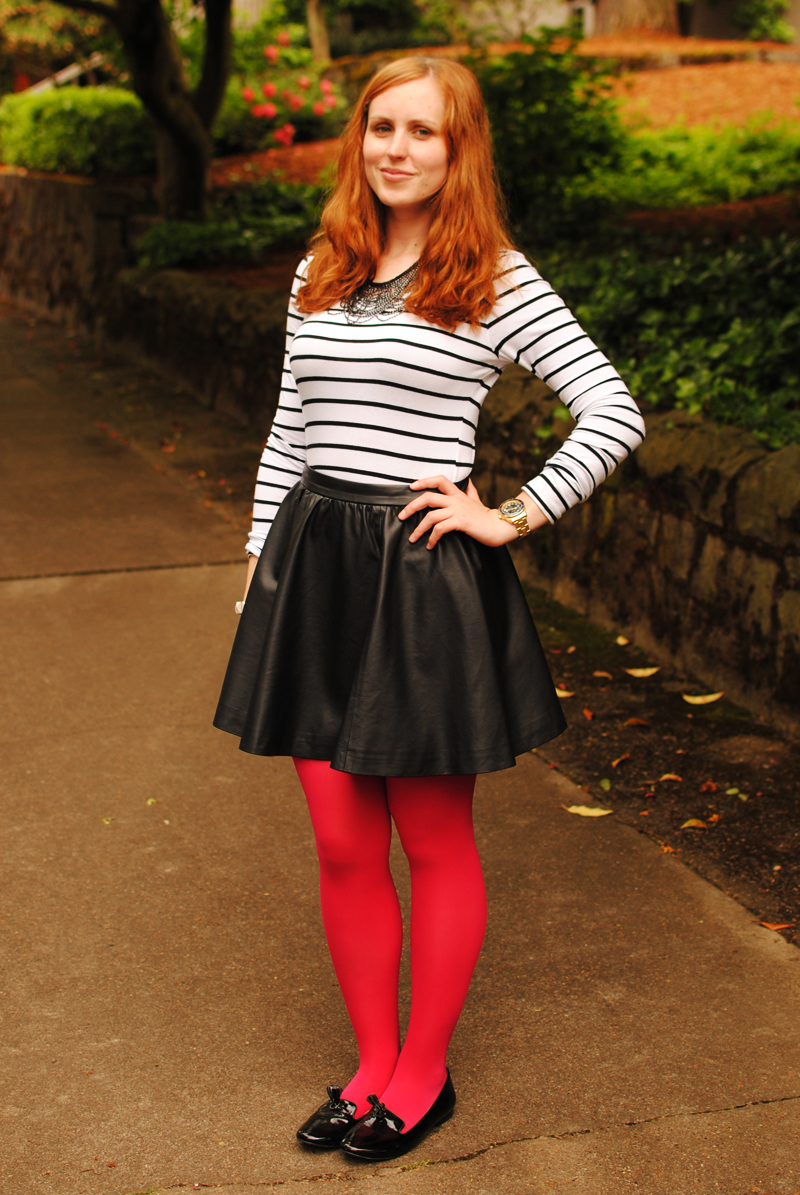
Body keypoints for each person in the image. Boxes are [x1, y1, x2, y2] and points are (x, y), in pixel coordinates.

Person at [214, 55, 645, 1162]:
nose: (396, 148)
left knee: (430, 836)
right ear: (359, 139)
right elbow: (286, 432)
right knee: (340, 840)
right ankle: (368, 1064)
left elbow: (610, 409)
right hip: (312, 578)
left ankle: (422, 1072)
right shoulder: (325, 263)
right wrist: (261, 576)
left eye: (423, 132)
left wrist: (509, 514)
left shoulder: (492, 275)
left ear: (459, 152)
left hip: (416, 579)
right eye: (380, 127)